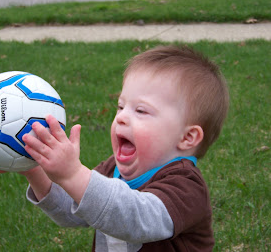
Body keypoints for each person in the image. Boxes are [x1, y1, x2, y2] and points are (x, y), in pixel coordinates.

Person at [19, 45, 229, 251]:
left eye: (141, 110)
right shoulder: (113, 169)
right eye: (121, 106)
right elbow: (72, 211)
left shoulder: (186, 187)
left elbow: (135, 219)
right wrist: (34, 169)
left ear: (187, 137)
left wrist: (73, 174)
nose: (121, 117)